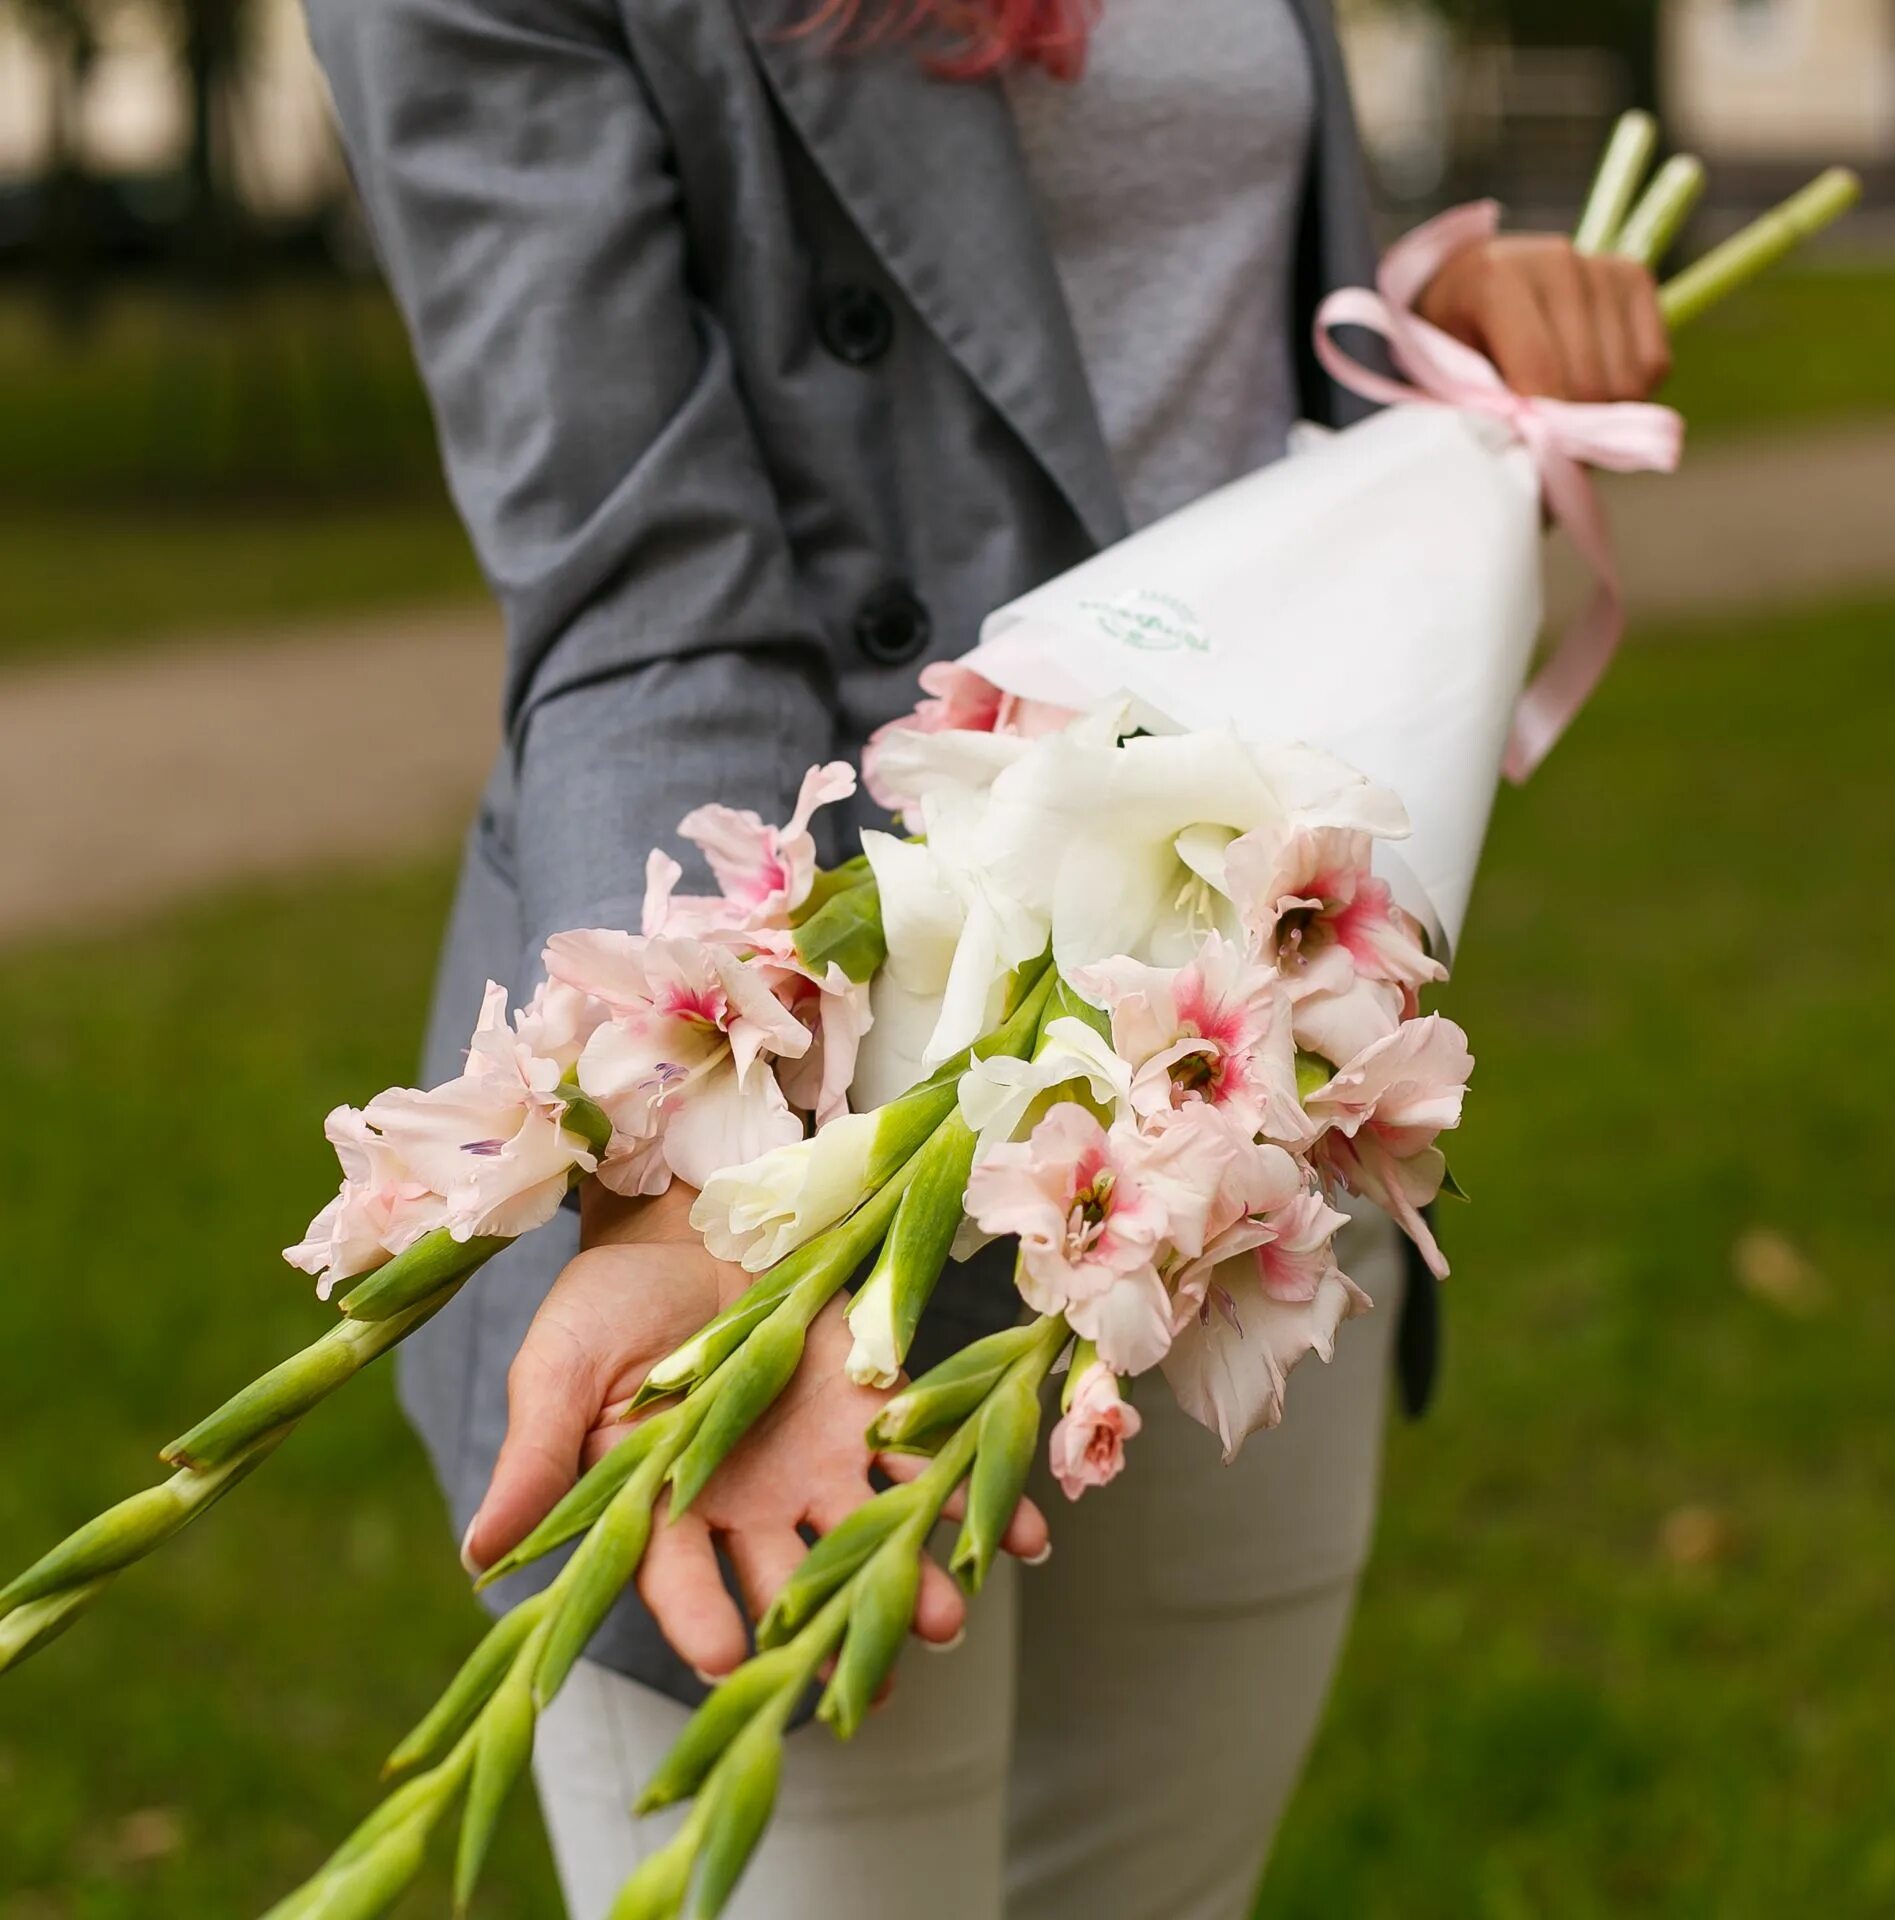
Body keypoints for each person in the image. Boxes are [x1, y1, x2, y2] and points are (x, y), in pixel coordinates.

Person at [305, 2, 1671, 1914]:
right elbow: (643, 594)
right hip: (819, 1098)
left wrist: (1435, 322)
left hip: (1233, 1103)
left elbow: (1176, 347)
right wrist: (698, 1190)